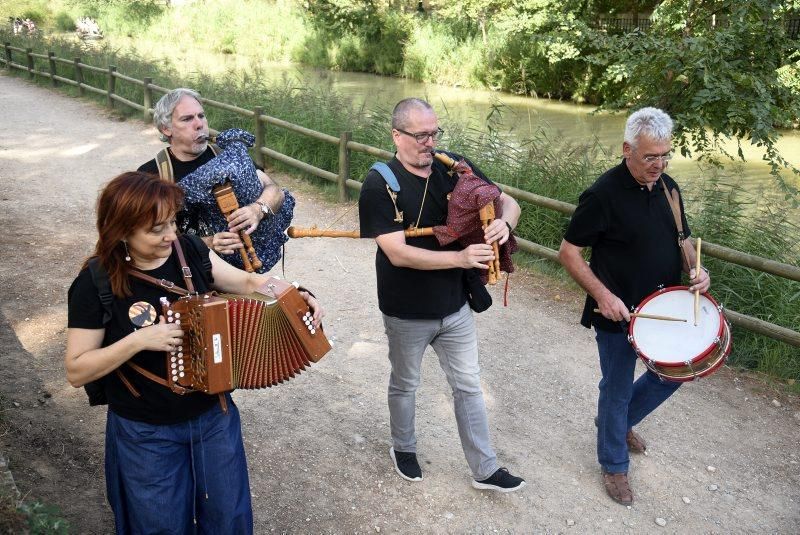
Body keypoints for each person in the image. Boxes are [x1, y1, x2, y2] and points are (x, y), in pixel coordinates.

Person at [65, 171, 324, 533]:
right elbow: (77, 370)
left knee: (228, 521)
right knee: (159, 526)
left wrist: (295, 293)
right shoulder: (96, 283)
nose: (170, 235)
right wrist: (138, 340)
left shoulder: (188, 249)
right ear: (121, 230)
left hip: (213, 417)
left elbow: (250, 281)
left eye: (171, 222)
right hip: (146, 432)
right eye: (156, 229)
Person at [358, 98, 525, 492]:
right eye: (420, 135)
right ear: (397, 136)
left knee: (469, 384)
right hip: (406, 309)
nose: (429, 143)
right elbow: (396, 252)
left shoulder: (455, 167)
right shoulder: (379, 184)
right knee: (406, 383)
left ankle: (485, 469)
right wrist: (461, 257)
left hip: (455, 306)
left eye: (434, 133)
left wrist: (504, 224)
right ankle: (403, 448)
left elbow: (509, 202)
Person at [558, 107, 711, 506]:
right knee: (617, 386)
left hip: (666, 309)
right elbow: (569, 253)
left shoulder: (668, 189)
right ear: (627, 149)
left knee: (672, 375)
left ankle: (618, 423)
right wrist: (603, 296)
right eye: (649, 157)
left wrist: (698, 271)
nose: (658, 165)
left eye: (665, 155)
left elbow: (684, 242)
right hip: (617, 313)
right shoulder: (602, 195)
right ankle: (613, 463)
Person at [138, 87, 294, 271]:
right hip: (189, 274)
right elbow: (147, 241)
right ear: (166, 129)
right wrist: (209, 242)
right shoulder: (152, 175)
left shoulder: (227, 155)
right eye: (187, 119)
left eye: (201, 116)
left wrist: (257, 209)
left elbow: (273, 188)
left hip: (245, 272)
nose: (199, 124)